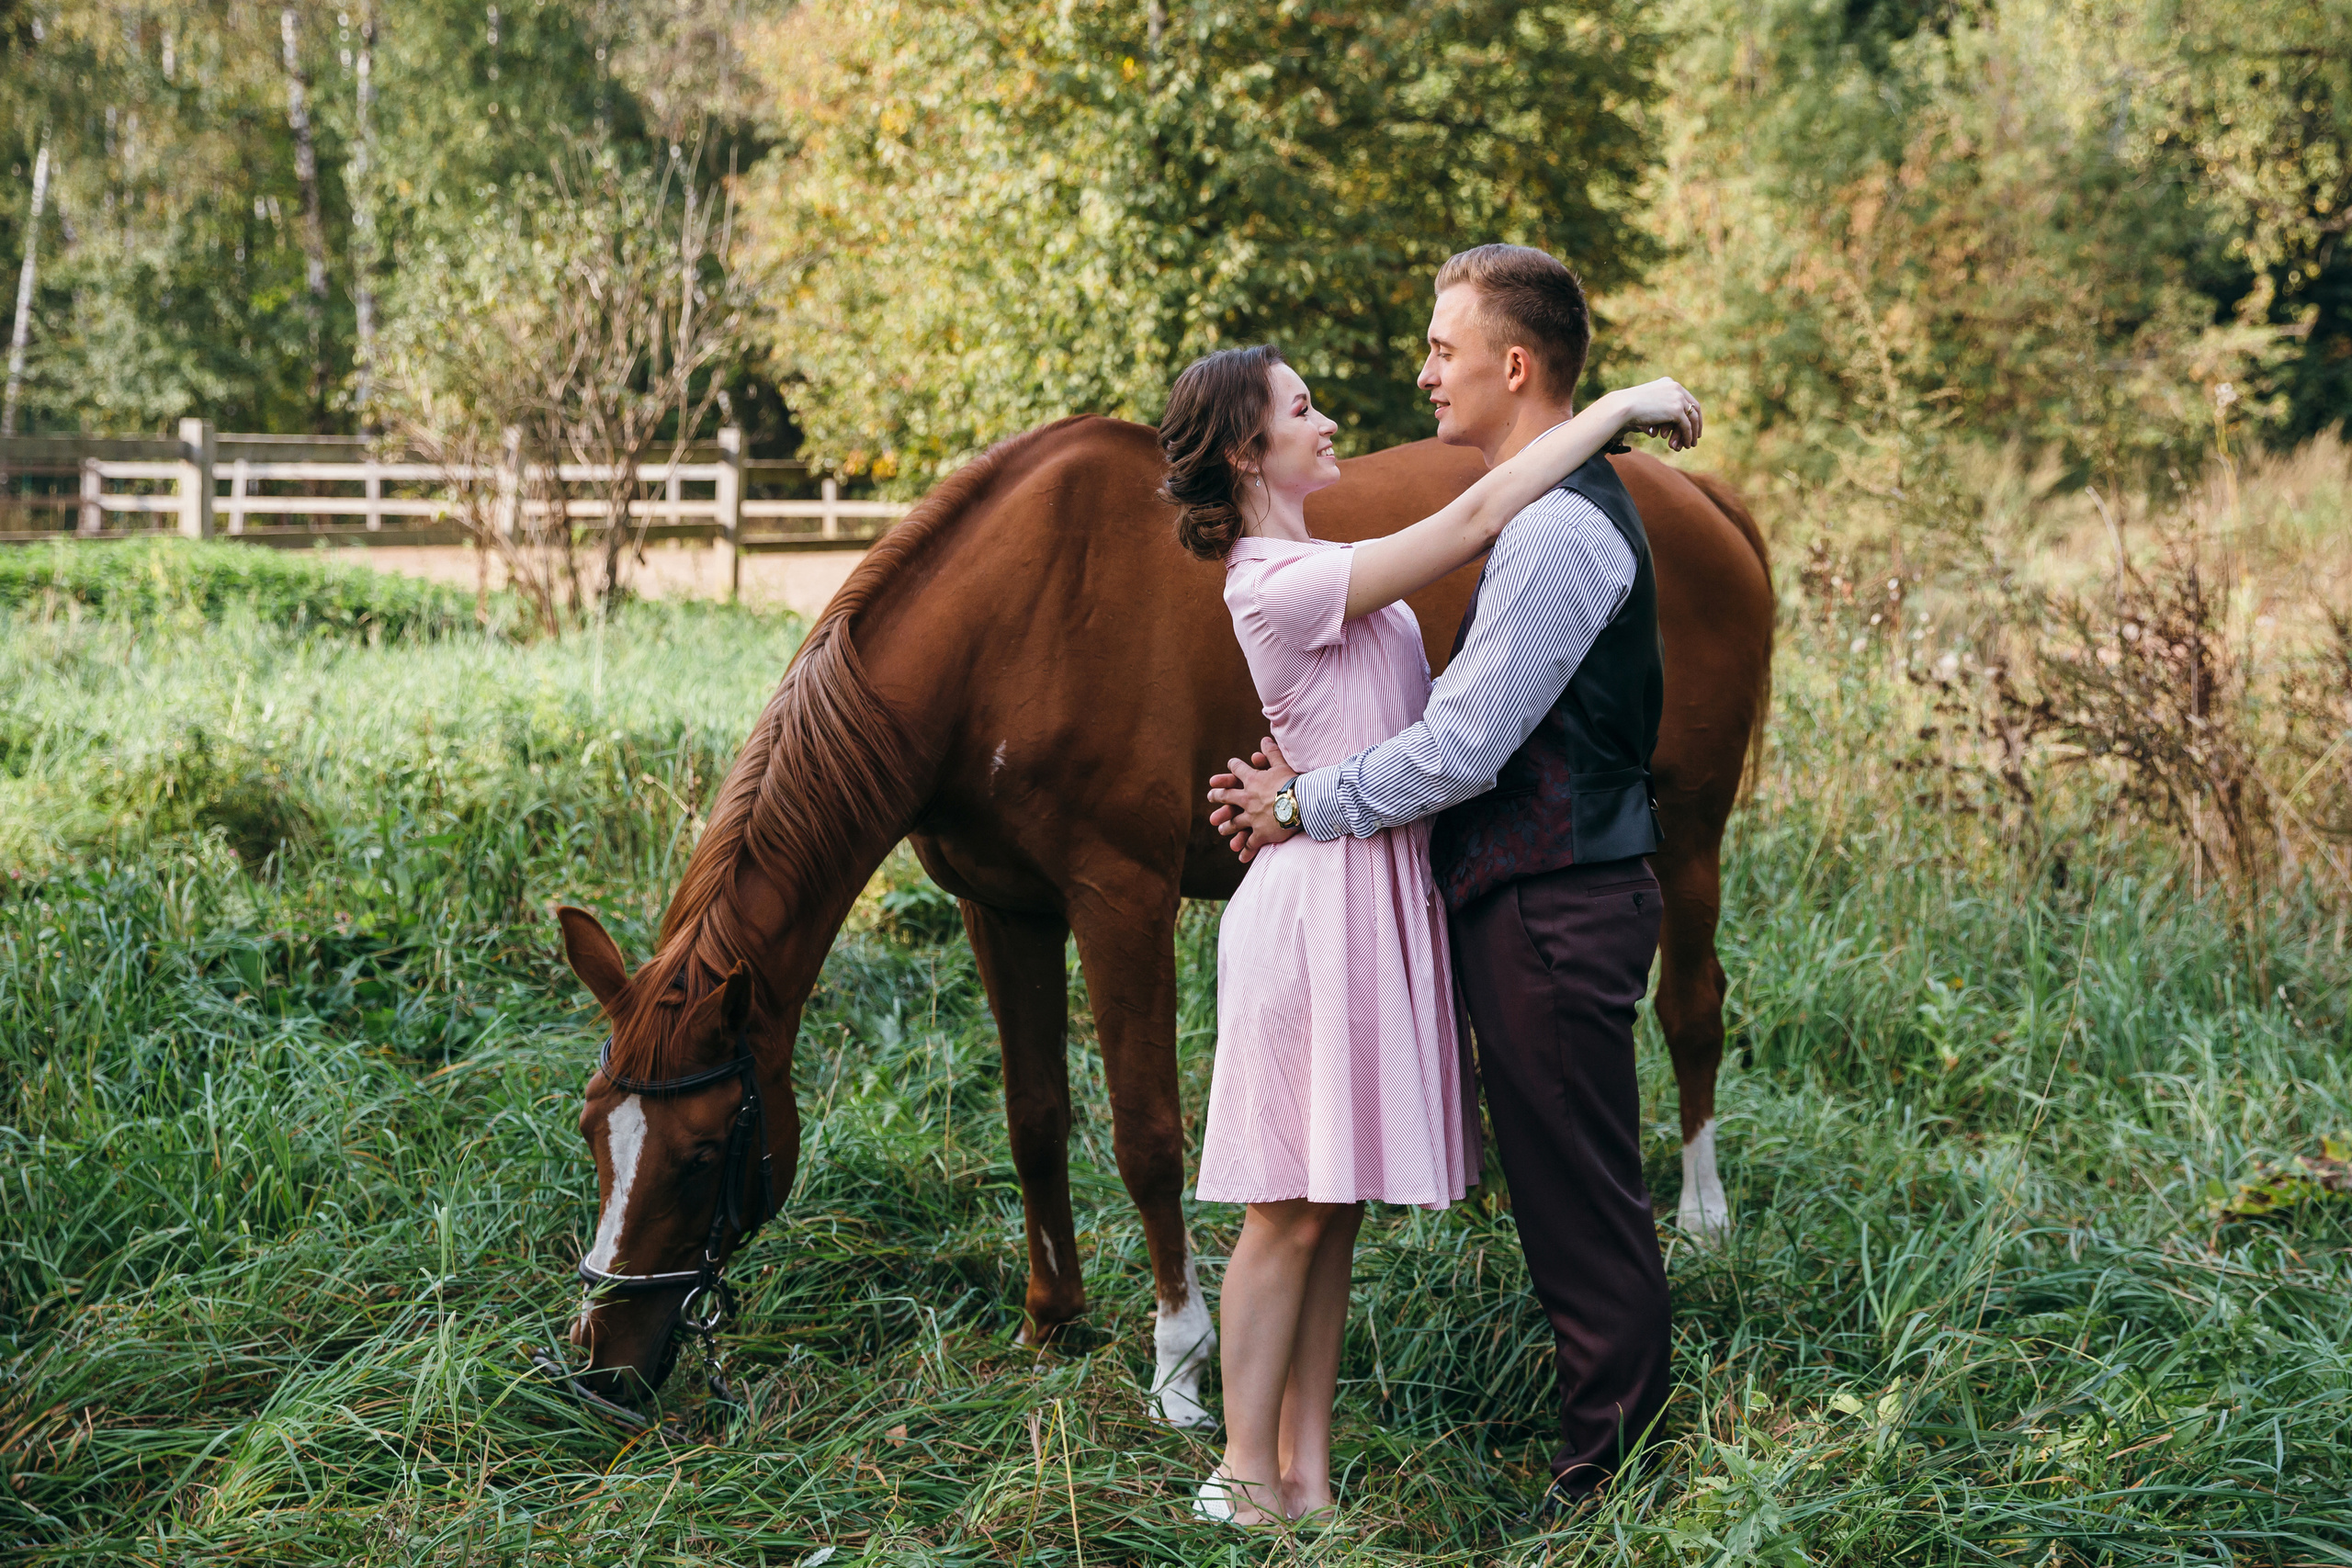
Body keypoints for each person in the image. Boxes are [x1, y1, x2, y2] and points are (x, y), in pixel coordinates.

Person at [1164, 310, 1700, 1526]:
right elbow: (1466, 523)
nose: (1331, 416)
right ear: (1247, 455)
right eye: (1300, 409)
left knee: (1330, 1210)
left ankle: (1305, 1475)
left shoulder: (1320, 560)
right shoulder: (1278, 575)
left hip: (1371, 889)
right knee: (1283, 1211)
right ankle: (1245, 1474)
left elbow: (1431, 705)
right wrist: (1614, 414)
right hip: (1317, 905)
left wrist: (1300, 783)